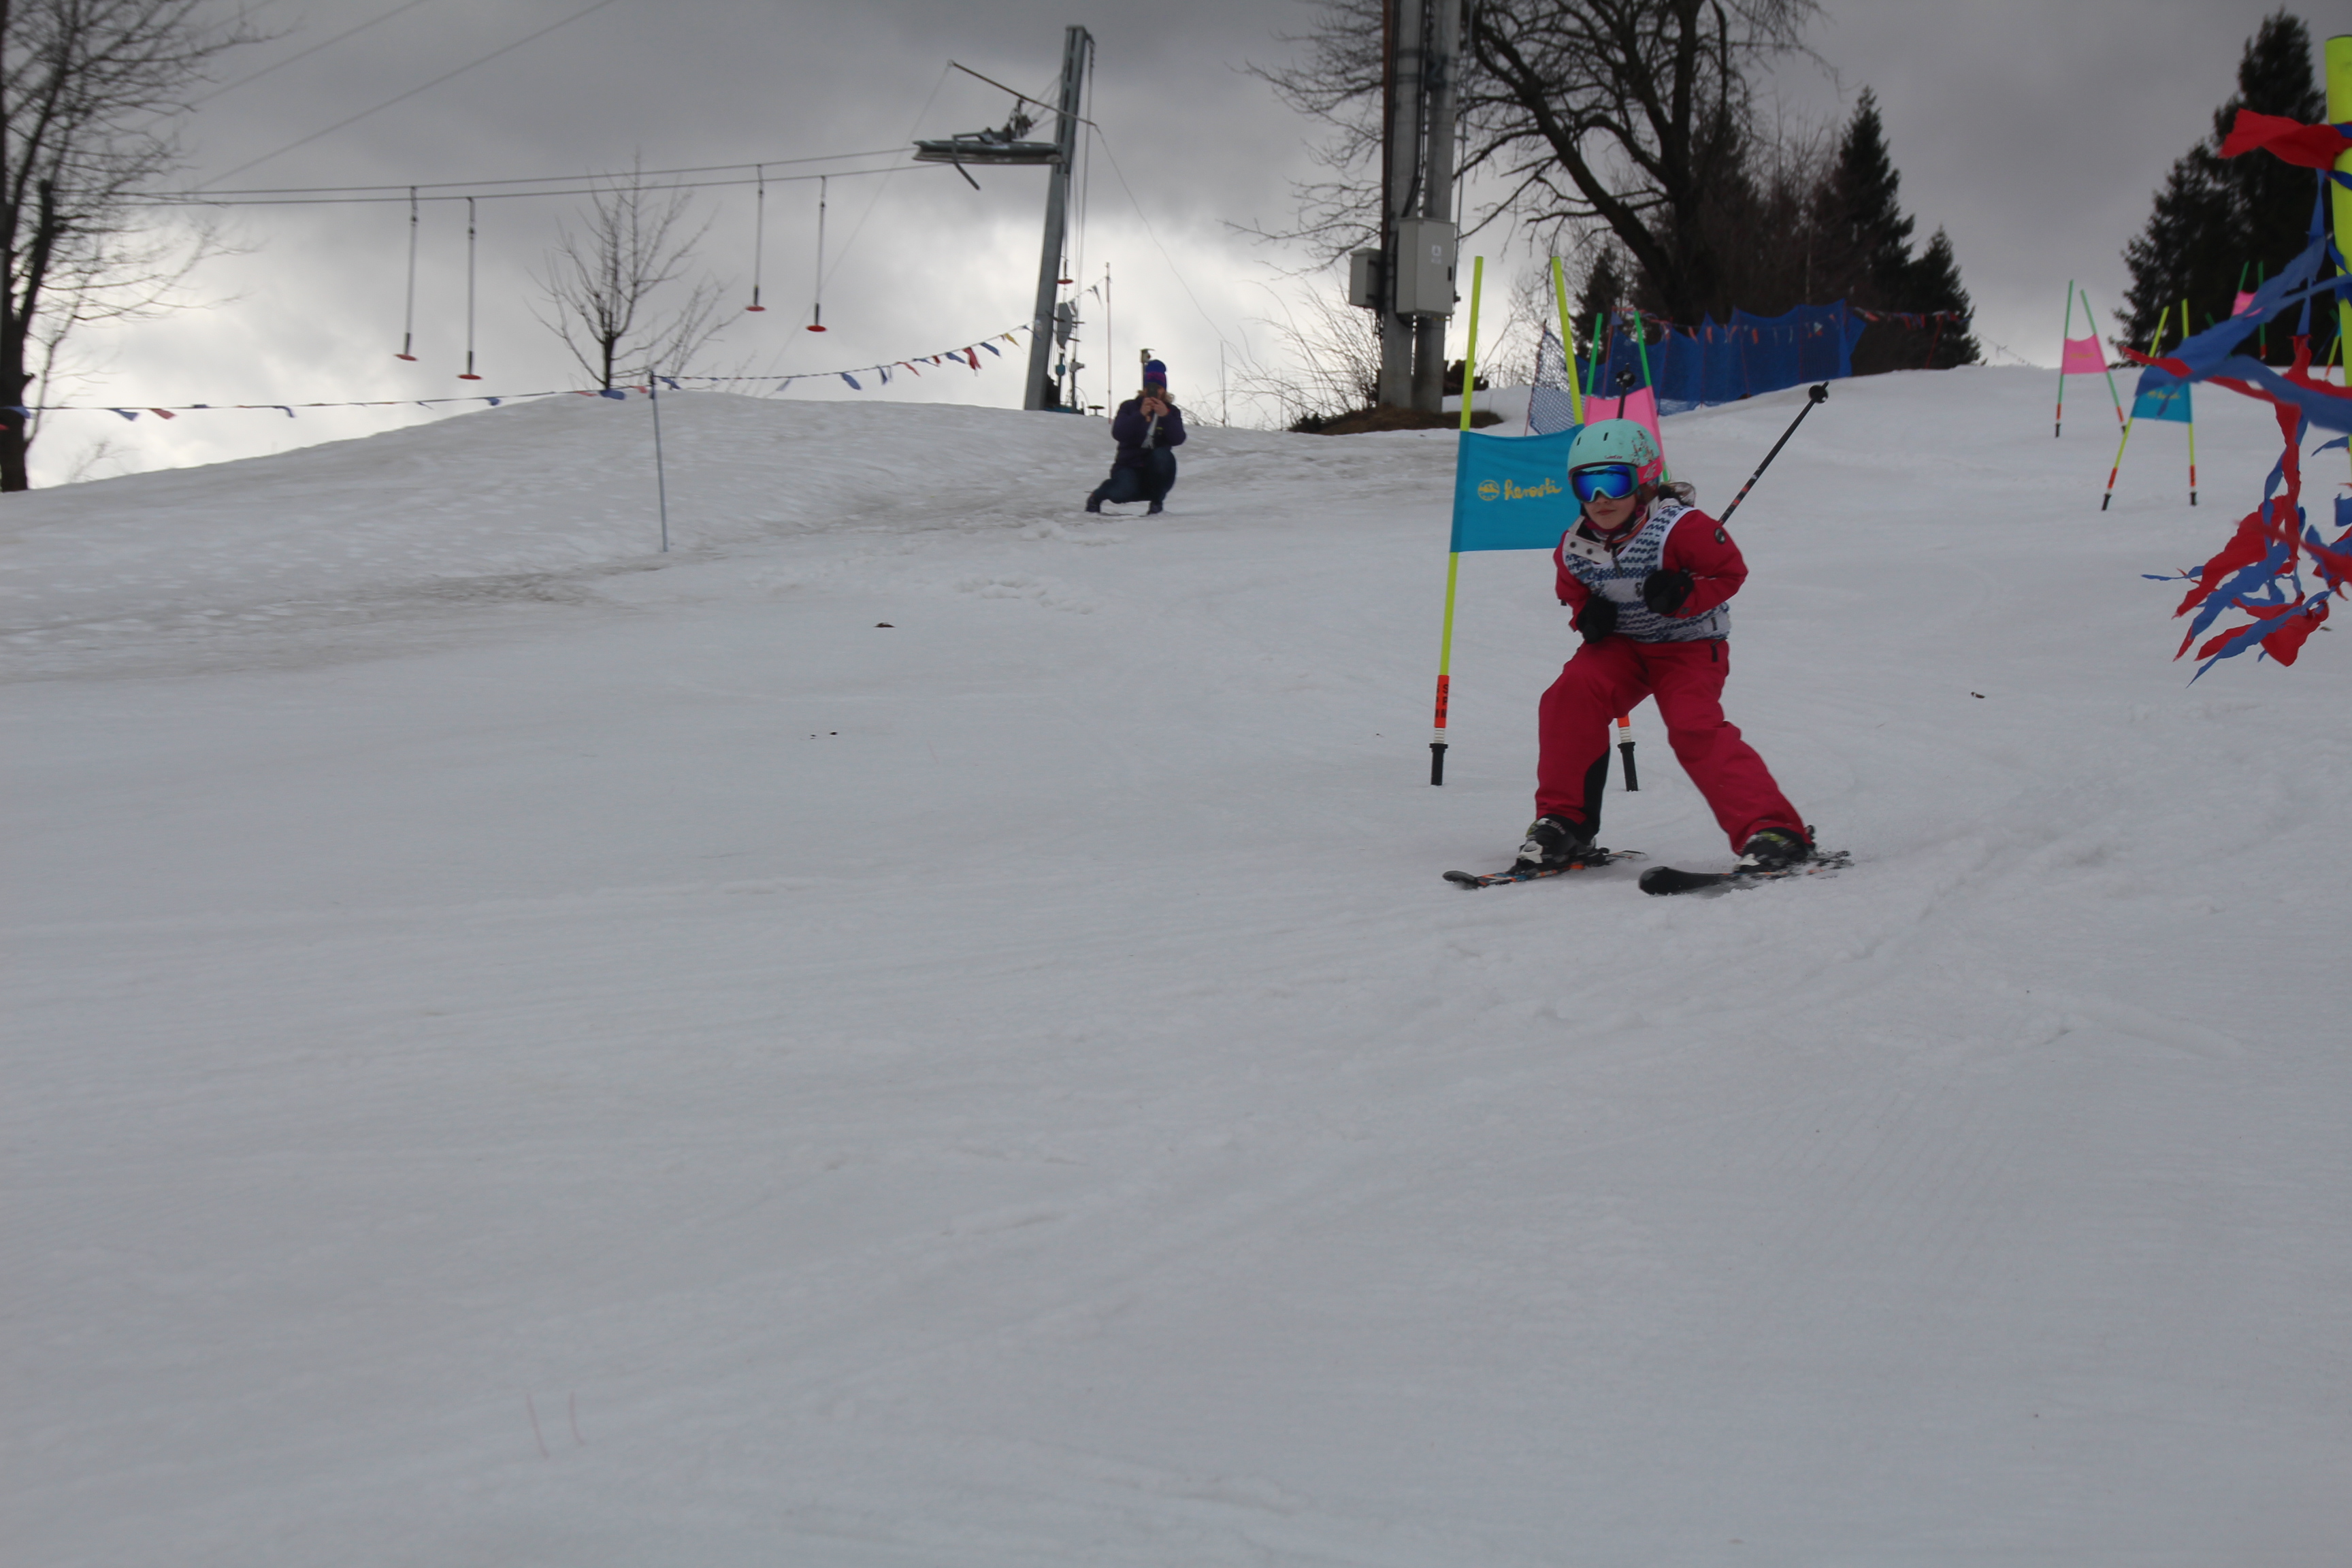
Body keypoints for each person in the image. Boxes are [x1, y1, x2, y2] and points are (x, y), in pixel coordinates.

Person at [1513, 417, 1813, 873]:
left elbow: (1729, 572)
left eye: (1615, 482)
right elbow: (1573, 594)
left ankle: (1773, 830)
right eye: (1587, 485)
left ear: (1646, 481)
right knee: (1569, 697)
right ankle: (1564, 824)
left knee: (1693, 726)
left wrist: (1685, 594)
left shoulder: (1682, 528)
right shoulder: (1575, 546)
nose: (1601, 499)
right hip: (1623, 648)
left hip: (1688, 646)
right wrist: (1588, 619)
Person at [1085, 359, 1186, 514]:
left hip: (1156, 468)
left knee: (1163, 456)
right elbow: (1119, 433)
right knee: (1121, 492)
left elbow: (1178, 439)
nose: (1155, 392)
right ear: (1144, 388)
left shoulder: (1171, 411)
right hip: (1129, 466)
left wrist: (1165, 417)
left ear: (1165, 390)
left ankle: (1156, 502)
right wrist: (1140, 415)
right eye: (1150, 387)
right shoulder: (1129, 407)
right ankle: (1097, 496)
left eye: (1159, 388)